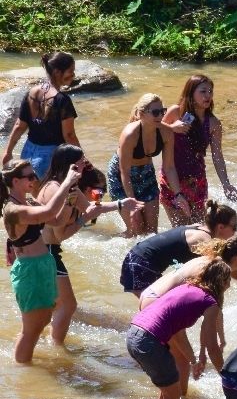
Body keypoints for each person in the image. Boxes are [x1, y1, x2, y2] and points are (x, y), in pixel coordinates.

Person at [37, 144, 142, 345]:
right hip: (45, 252)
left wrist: (121, 204)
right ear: (70, 164)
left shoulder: (68, 187)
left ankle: (44, 341)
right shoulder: (54, 189)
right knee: (68, 306)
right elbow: (60, 233)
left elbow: (91, 208)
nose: (85, 163)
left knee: (53, 304)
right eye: (80, 160)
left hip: (48, 251)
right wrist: (82, 220)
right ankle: (56, 346)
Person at [138, 235, 237, 395]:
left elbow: (215, 313)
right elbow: (210, 321)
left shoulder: (214, 263)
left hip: (149, 295)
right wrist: (203, 355)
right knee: (182, 360)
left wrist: (221, 339)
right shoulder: (216, 269)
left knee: (179, 360)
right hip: (157, 301)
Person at [127, 259, 230, 399]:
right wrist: (226, 376)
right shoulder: (210, 302)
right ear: (221, 281)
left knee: (169, 388)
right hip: (149, 341)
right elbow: (212, 346)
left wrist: (194, 359)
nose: (229, 286)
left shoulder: (186, 288)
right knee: (173, 395)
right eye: (228, 281)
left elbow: (178, 333)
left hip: (133, 333)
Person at [120, 200, 237, 297]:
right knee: (154, 312)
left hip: (140, 259)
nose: (236, 231)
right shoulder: (204, 240)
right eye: (234, 226)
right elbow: (232, 270)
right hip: (139, 264)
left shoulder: (203, 229)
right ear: (221, 227)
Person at [1, 159, 81, 362]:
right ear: (16, 181)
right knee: (31, 330)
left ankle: (27, 368)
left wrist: (70, 199)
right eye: (29, 176)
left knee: (43, 319)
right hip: (31, 270)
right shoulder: (13, 210)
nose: (34, 179)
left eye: (34, 175)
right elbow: (48, 212)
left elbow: (57, 221)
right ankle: (23, 373)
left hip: (44, 265)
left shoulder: (27, 202)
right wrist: (66, 182)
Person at [106, 93, 190, 236]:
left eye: (162, 111)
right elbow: (124, 172)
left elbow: (169, 167)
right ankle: (115, 242)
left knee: (151, 232)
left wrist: (178, 194)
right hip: (121, 176)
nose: (160, 116)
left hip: (146, 173)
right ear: (141, 114)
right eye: (155, 112)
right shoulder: (130, 134)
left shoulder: (166, 132)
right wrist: (132, 204)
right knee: (136, 229)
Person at [161, 75, 237, 226]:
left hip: (197, 182)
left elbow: (217, 156)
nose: (208, 95)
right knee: (181, 231)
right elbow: (155, 132)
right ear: (190, 93)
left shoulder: (214, 123)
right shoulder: (176, 112)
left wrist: (226, 183)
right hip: (172, 179)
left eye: (210, 91)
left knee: (199, 229)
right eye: (203, 91)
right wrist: (171, 127)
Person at [2, 52, 81, 178]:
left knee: (34, 192)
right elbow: (69, 135)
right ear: (57, 72)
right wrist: (80, 158)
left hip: (27, 153)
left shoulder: (32, 93)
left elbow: (19, 125)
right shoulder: (62, 100)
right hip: (50, 157)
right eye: (70, 71)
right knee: (49, 193)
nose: (73, 75)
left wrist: (8, 151)